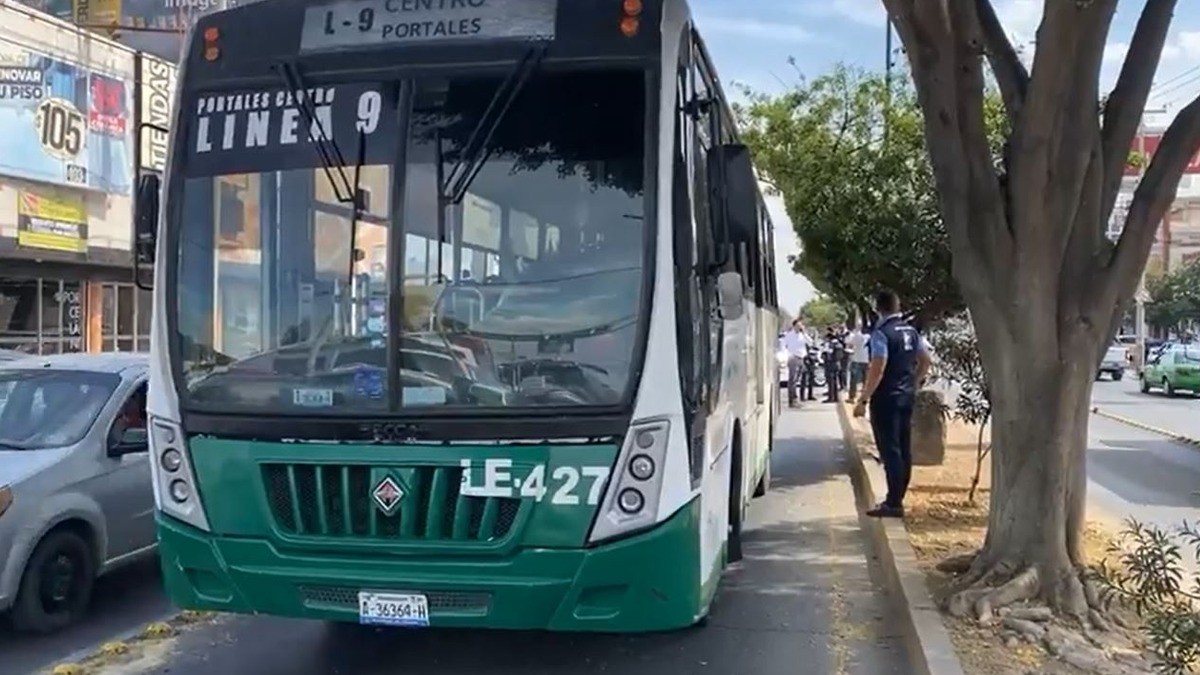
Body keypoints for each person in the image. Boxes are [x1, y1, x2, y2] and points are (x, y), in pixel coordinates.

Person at [853, 290, 932, 518]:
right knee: (903, 449)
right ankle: (898, 497)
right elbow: (925, 360)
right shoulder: (911, 331)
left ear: (879, 308)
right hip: (906, 396)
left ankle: (893, 502)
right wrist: (914, 382)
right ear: (897, 306)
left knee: (890, 451)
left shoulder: (881, 334)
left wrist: (863, 398)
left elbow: (878, 367)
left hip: (886, 398)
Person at [780, 319, 811, 407]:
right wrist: (787, 355)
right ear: (794, 326)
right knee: (792, 380)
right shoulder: (789, 335)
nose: (799, 327)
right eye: (797, 326)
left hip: (802, 358)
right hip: (793, 358)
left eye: (800, 326)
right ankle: (792, 400)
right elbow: (783, 345)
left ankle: (795, 399)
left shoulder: (802, 335)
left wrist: (805, 333)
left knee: (797, 380)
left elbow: (810, 343)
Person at [847, 322, 870, 399]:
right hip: (867, 360)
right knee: (866, 380)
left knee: (854, 380)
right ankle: (865, 396)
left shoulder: (857, 335)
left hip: (857, 359)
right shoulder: (870, 336)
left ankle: (852, 396)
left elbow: (850, 344)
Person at [823, 325, 846, 403]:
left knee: (830, 382)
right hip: (838, 363)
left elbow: (828, 353)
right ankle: (836, 397)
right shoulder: (838, 343)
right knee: (835, 382)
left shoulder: (830, 344)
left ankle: (831, 397)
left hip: (831, 364)